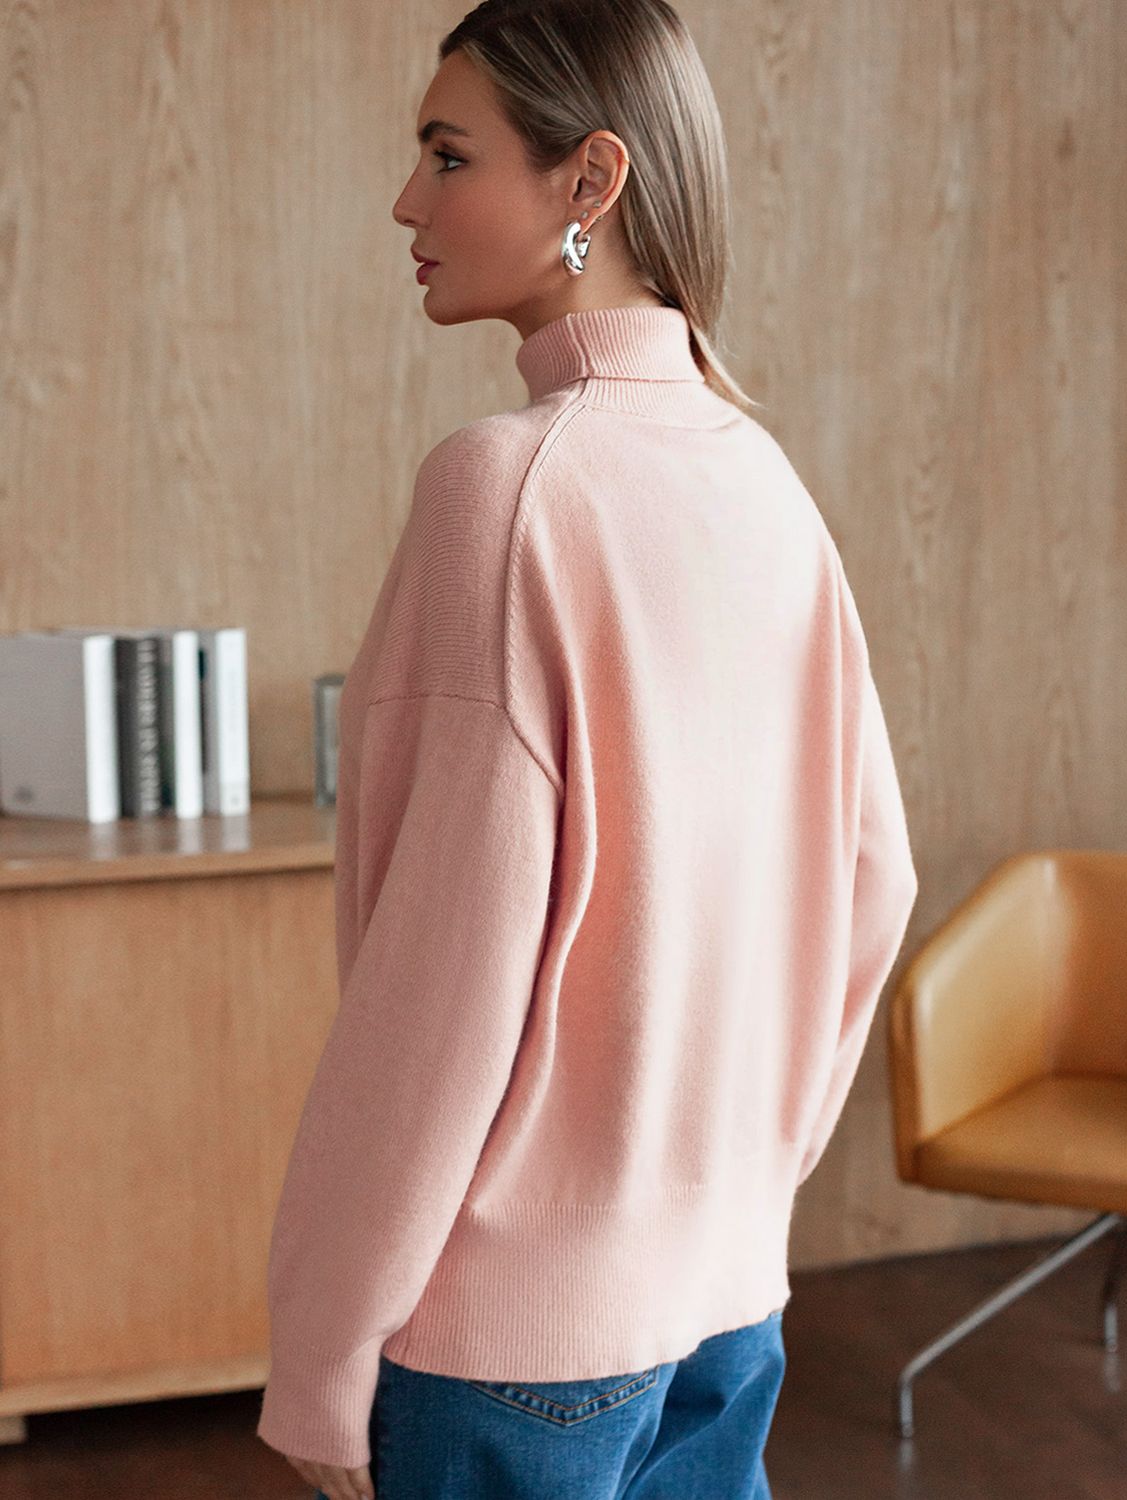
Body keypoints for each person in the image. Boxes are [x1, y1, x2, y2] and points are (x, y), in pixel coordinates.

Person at [256, 3, 920, 1497]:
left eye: (448, 155)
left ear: (591, 181)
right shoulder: (763, 481)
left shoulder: (503, 491)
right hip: (727, 1302)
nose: (408, 202)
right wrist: (739, 1178)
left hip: (512, 1348)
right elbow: (875, 882)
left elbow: (436, 989)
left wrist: (324, 1348)